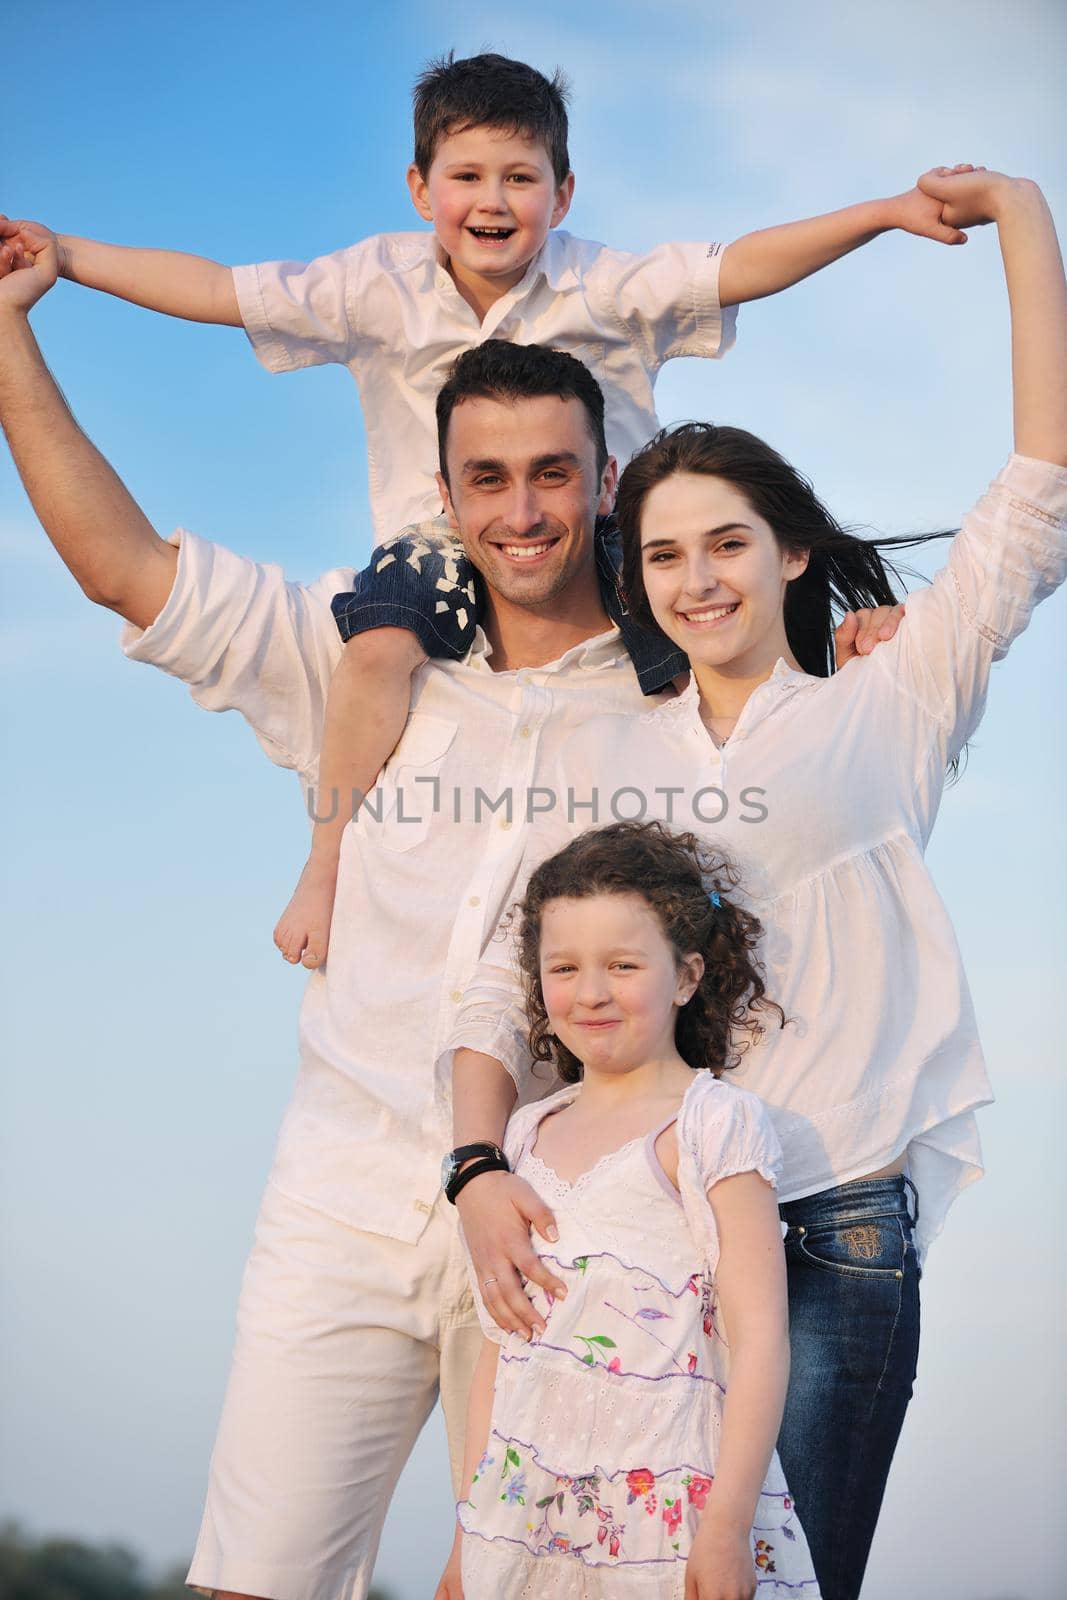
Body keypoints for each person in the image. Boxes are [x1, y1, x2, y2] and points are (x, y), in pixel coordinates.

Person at [0, 250, 899, 1600]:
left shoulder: (679, 701)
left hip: (577, 1219)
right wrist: (8, 334)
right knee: (252, 1580)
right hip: (343, 1191)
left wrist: (868, 647)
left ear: (604, 482)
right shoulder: (354, 652)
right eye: (486, 478)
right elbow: (121, 568)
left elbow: (819, 747)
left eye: (553, 473)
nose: (521, 508)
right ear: (442, 494)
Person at [0, 51, 970, 971]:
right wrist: (68, 253)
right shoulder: (372, 284)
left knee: (698, 672)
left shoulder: (607, 285)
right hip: (436, 541)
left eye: (520, 177)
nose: (493, 201)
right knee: (374, 654)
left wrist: (882, 213)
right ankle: (326, 859)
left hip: (602, 541)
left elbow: (740, 265)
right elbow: (219, 289)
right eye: (466, 176)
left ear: (563, 191)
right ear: (420, 189)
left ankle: (766, 806)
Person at [446, 167, 1067, 1600]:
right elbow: (502, 975)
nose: (694, 577)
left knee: (779, 1585)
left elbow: (1034, 489)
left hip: (835, 1219)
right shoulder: (608, 749)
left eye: (726, 542)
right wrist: (475, 1168)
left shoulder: (890, 697)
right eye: (660, 554)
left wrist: (1025, 217)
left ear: (790, 551)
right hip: (642, 1229)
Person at [436, 820, 820, 1600]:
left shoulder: (714, 1124)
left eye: (622, 964)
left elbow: (758, 1344)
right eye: (564, 967)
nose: (590, 992)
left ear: (685, 976)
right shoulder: (523, 1134)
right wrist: (466, 1538)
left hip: (669, 1519)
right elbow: (498, 1355)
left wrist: (724, 1528)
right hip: (527, 1522)